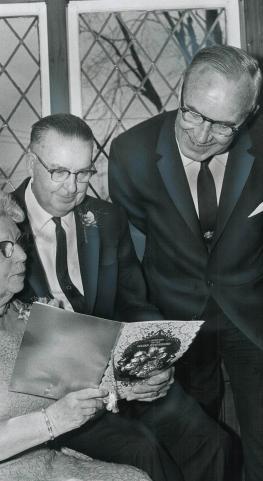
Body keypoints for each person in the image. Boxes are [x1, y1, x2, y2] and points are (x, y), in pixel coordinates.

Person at [13, 113, 231, 481]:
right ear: (31, 160)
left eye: (84, 173)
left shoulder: (107, 219)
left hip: (126, 378)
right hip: (51, 396)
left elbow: (135, 304)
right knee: (141, 450)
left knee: (210, 440)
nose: (73, 187)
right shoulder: (1, 223)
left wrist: (154, 359)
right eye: (60, 172)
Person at [108, 45, 263, 481]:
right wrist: (148, 337)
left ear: (249, 115)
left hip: (252, 314)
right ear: (180, 93)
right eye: (191, 114)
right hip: (175, 316)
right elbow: (128, 262)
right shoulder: (132, 152)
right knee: (196, 450)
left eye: (222, 126)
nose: (200, 135)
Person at [0, 181, 150, 481]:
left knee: (135, 478)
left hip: (43, 463)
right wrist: (52, 421)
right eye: (3, 249)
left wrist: (121, 386)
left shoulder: (30, 317)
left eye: (18, 242)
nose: (22, 256)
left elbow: (77, 402)